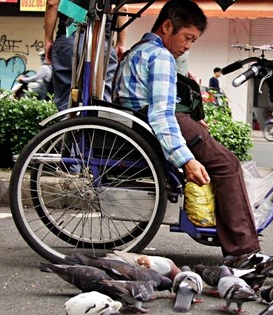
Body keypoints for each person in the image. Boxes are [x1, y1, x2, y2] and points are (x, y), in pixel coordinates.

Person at [113, 0, 261, 257]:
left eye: (193, 41)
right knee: (228, 165)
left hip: (136, 122)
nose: (188, 46)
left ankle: (230, 229)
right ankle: (243, 251)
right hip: (151, 124)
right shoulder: (160, 56)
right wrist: (186, 160)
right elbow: (160, 115)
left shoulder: (137, 51)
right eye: (187, 38)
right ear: (167, 26)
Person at [44, 0, 127, 111]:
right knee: (102, 100)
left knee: (66, 101)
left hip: (69, 37)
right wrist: (121, 42)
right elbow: (122, 8)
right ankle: (99, 124)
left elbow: (52, 4)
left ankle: (67, 124)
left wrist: (48, 40)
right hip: (102, 41)